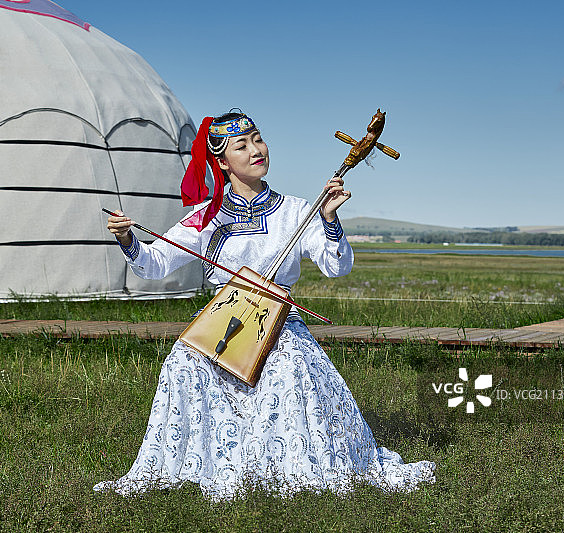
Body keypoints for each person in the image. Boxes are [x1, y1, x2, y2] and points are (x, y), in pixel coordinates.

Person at [94, 111, 436, 500]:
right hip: (222, 322)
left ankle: (291, 467)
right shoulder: (206, 217)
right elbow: (154, 265)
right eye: (243, 145)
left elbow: (336, 267)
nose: (257, 149)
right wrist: (127, 238)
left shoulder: (296, 211)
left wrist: (328, 220)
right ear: (222, 161)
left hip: (279, 324)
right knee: (182, 362)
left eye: (258, 139)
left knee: (287, 364)